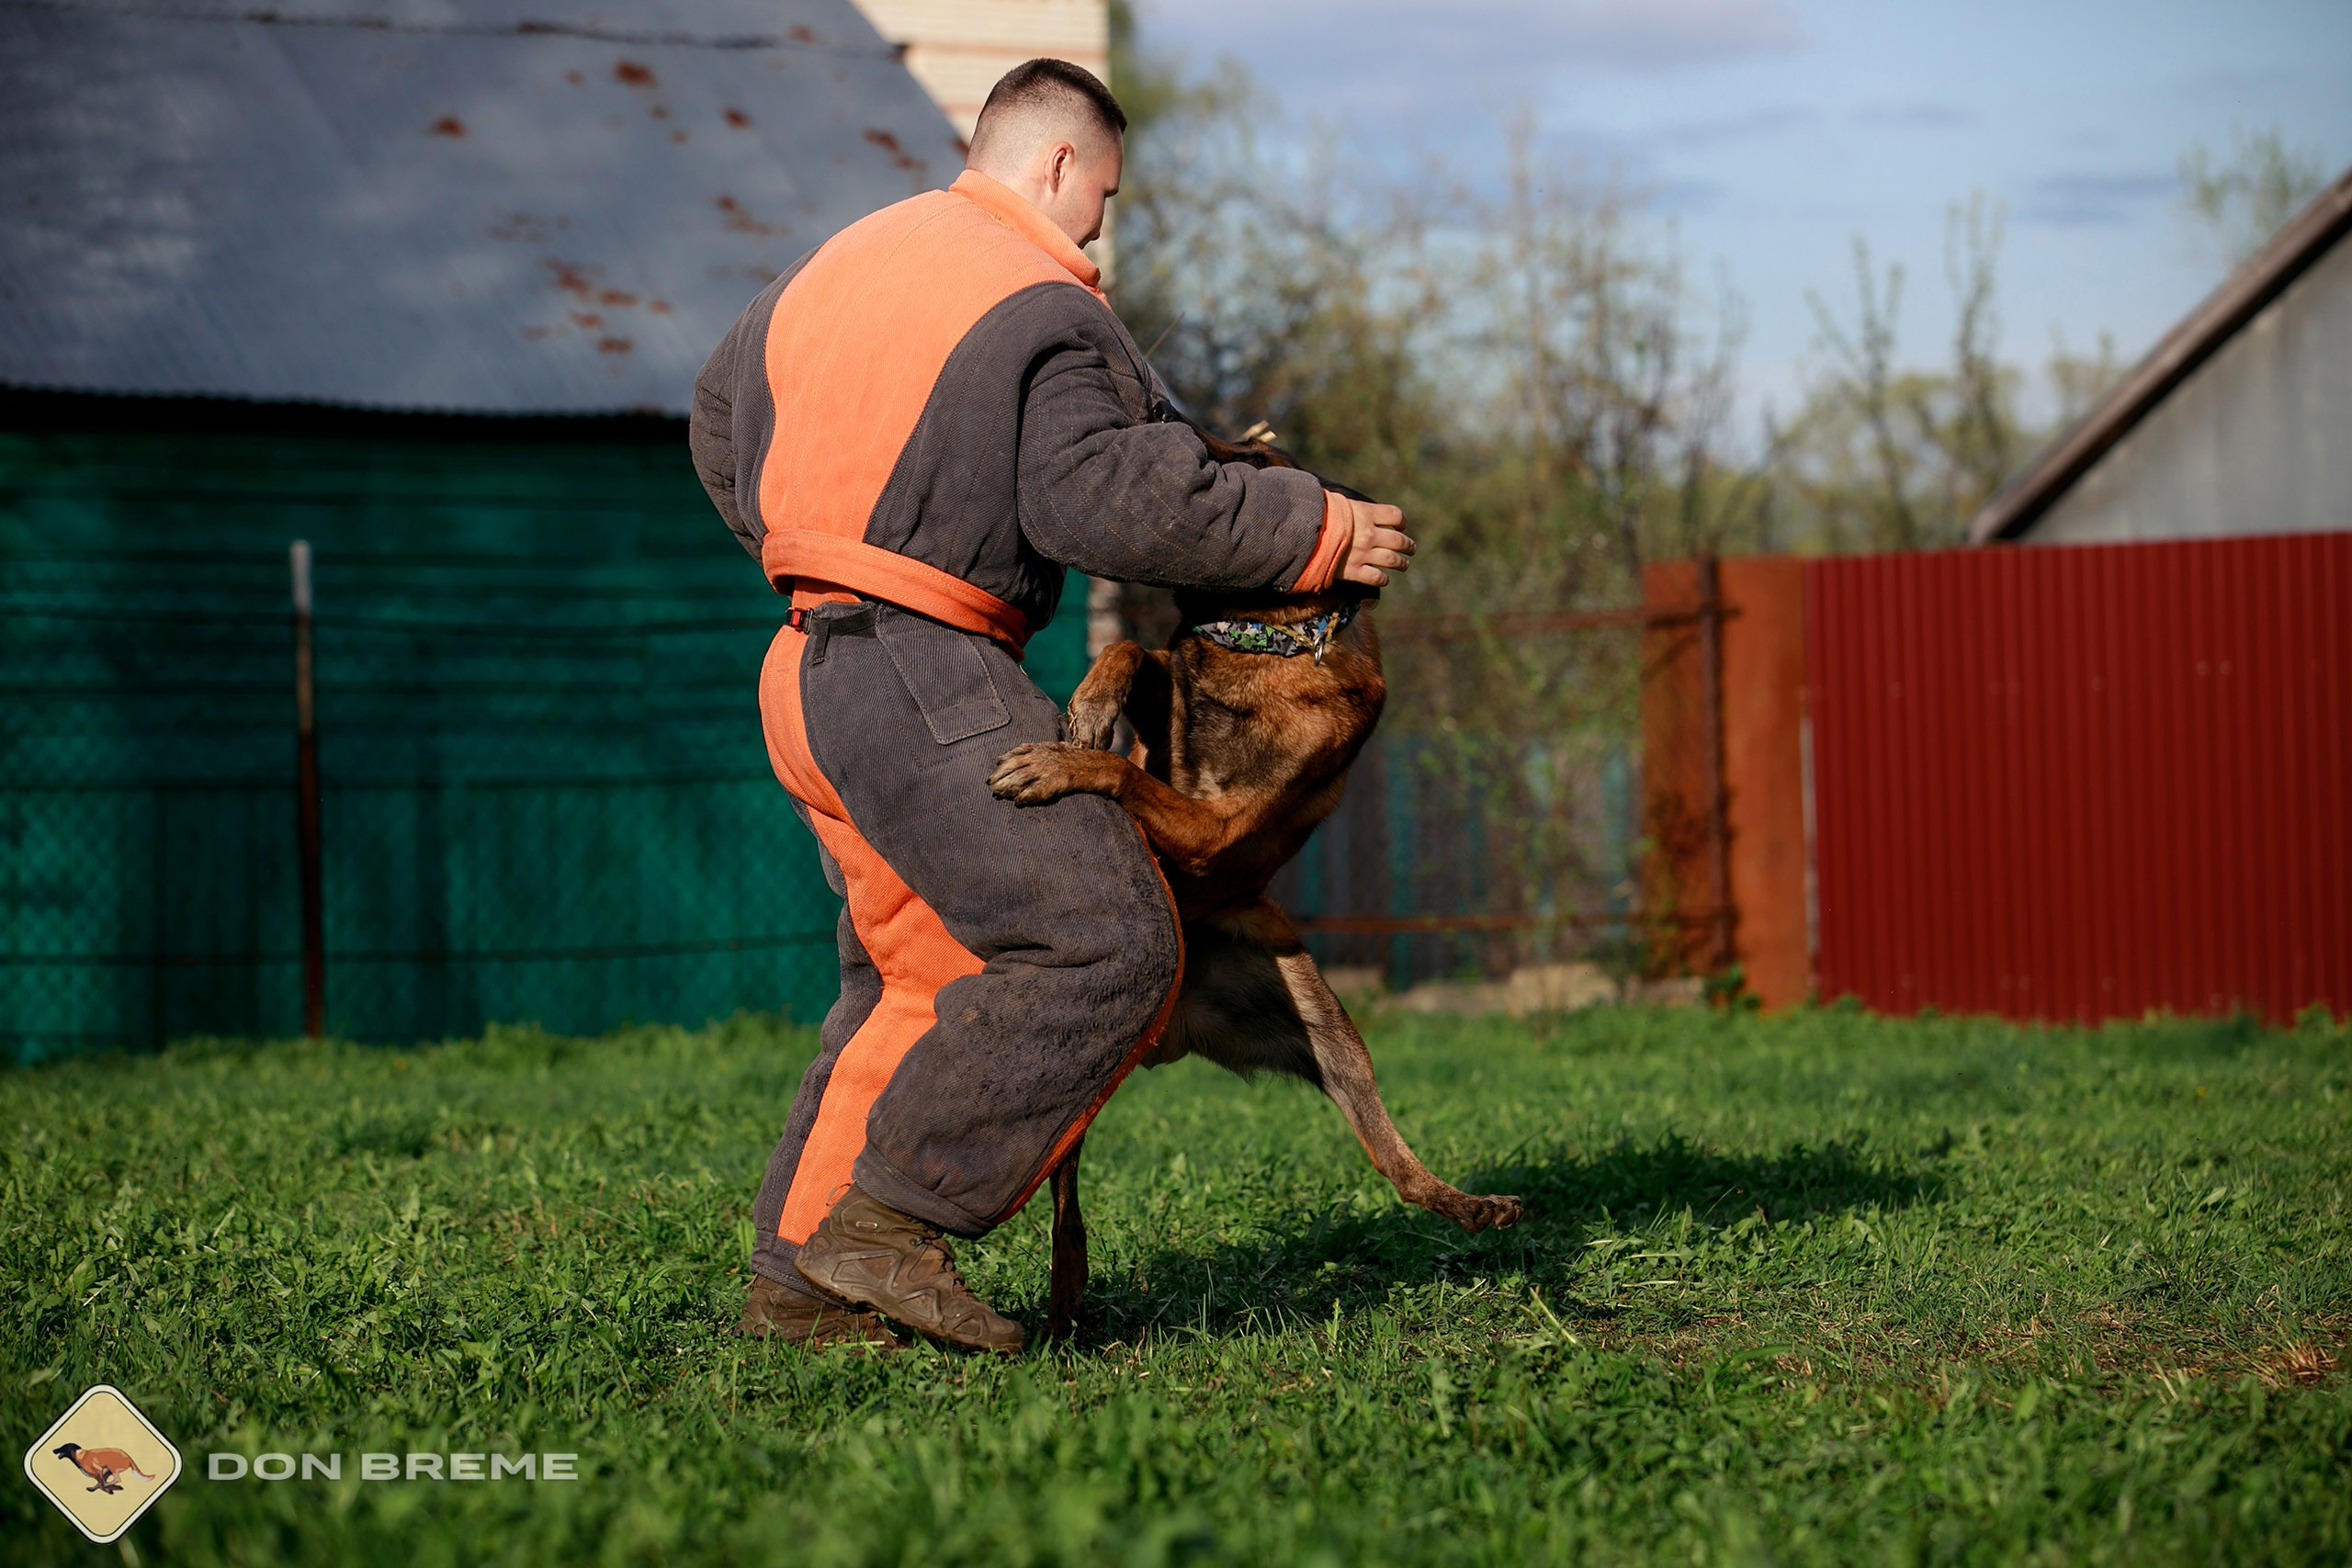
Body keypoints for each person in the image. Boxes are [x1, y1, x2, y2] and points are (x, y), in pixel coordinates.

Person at [689, 58, 1413, 1352]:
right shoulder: (1044, 306)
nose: (1099, 231)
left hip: (805, 661)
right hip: (926, 664)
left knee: (912, 976)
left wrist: (798, 536)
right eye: (1104, 200)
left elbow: (713, 412)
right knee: (1108, 940)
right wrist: (1317, 530)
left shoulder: (834, 266)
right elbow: (1105, 500)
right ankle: (892, 1223)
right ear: (1058, 166)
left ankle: (800, 1284)